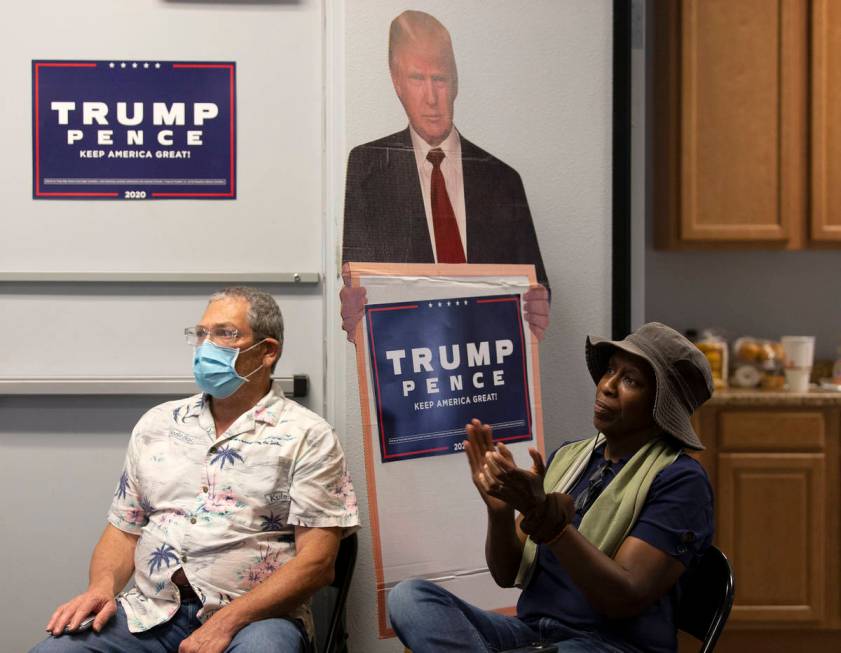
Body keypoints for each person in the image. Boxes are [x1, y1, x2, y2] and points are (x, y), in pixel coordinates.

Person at [31, 287, 359, 653]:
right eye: (201, 333)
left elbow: (317, 563)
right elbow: (124, 530)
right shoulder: (157, 424)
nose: (206, 346)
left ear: (268, 352)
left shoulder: (308, 436)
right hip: (151, 612)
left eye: (225, 333)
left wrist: (227, 621)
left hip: (256, 619)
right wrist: (101, 588)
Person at [387, 322, 716, 653]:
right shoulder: (570, 458)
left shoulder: (681, 481)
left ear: (662, 408)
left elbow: (623, 597)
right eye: (610, 371)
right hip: (533, 635)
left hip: (611, 645)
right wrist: (499, 511)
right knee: (411, 597)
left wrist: (552, 524)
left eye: (631, 380)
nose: (607, 385)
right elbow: (507, 572)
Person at [340, 10, 550, 343]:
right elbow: (357, 284)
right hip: (409, 370)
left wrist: (538, 305)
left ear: (455, 82)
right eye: (416, 79)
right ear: (396, 81)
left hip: (489, 368)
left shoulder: (503, 179)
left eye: (439, 79)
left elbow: (537, 286)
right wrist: (353, 305)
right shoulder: (368, 168)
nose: (431, 98)